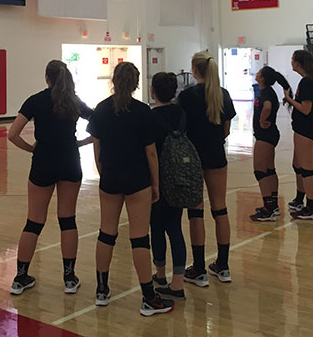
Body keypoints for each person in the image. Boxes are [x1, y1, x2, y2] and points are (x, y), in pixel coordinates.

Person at [88, 62, 174, 316]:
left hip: (111, 177)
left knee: (106, 233)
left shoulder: (101, 110)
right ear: (136, 83)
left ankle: (102, 289)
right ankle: (148, 296)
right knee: (139, 238)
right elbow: (151, 152)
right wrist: (155, 183)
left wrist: (104, 172)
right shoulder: (143, 111)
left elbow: (97, 148)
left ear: (114, 81)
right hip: (138, 180)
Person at [7, 61, 93, 296]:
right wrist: (81, 143)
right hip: (69, 161)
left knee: (34, 222)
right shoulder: (74, 101)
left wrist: (32, 149)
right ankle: (69, 278)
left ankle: (20, 277)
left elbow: (12, 134)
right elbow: (99, 125)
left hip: (43, 162)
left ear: (47, 78)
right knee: (68, 220)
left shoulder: (35, 100)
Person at [178, 51, 236, 286]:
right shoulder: (223, 95)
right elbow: (226, 130)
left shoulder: (186, 96)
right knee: (220, 209)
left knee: (196, 212)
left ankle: (199, 269)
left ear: (194, 69)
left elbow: (180, 130)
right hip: (216, 156)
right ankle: (223, 266)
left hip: (192, 158)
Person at [148, 72, 187, 300]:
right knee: (175, 228)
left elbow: (149, 151)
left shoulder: (151, 117)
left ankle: (160, 274)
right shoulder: (182, 113)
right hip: (179, 178)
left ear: (153, 91)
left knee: (157, 228)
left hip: (159, 178)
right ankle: (178, 281)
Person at [283, 49, 313, 220]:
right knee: (297, 165)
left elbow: (306, 109)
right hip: (302, 128)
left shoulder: (308, 83)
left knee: (306, 169)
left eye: (292, 60)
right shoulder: (307, 81)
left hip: (307, 129)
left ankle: (311, 208)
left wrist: (289, 99)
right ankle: (300, 199)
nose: (291, 63)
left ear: (297, 63)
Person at [249, 66, 289, 222]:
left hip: (265, 135)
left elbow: (267, 107)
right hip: (269, 134)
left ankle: (269, 209)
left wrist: (261, 120)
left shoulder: (266, 93)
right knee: (269, 170)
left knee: (260, 171)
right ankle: (273, 205)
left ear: (263, 78)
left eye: (259, 73)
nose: (256, 74)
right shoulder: (268, 92)